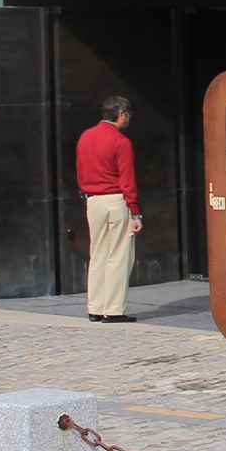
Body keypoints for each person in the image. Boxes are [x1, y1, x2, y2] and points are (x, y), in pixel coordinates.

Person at [76, 95, 141, 323]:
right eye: (127, 116)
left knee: (98, 254)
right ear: (121, 114)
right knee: (119, 256)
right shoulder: (121, 142)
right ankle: (113, 309)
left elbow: (81, 171)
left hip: (92, 200)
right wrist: (135, 211)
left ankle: (95, 306)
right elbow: (128, 180)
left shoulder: (85, 137)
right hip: (115, 200)